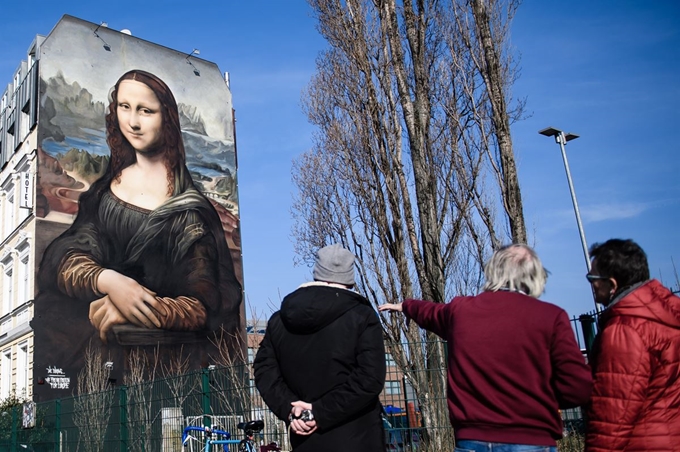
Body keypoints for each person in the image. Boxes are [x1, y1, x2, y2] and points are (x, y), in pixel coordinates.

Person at [33, 70, 242, 390]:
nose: (132, 121)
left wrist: (141, 308)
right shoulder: (105, 191)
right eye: (124, 107)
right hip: (97, 363)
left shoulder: (191, 210)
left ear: (167, 119)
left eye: (145, 110)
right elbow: (68, 252)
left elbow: (206, 304)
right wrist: (110, 281)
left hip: (163, 369)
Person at [380, 244, 592, 451]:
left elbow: (431, 311)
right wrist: (540, 398)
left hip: (472, 438)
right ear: (536, 276)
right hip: (532, 438)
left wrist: (406, 306)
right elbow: (576, 389)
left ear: (492, 272)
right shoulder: (551, 317)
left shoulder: (461, 312)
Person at [254, 244, 386, 452]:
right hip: (358, 437)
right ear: (349, 278)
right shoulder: (363, 316)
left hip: (305, 437)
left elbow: (264, 372)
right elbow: (370, 378)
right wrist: (320, 412)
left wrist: (291, 410)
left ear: (317, 273)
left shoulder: (279, 320)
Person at [585, 239, 680, 451]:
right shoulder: (668, 317)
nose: (591, 284)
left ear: (612, 284)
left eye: (592, 278)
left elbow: (611, 419)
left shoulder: (624, 329)